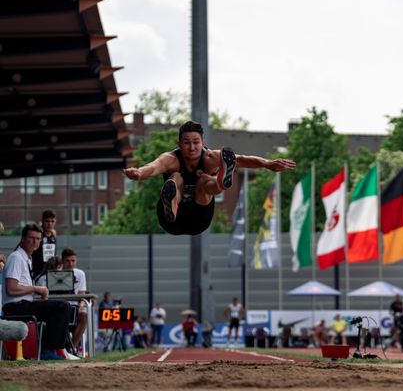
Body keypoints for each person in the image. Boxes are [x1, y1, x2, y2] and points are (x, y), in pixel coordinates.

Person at [123, 121, 296, 235]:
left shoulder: (210, 157)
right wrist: (138, 173)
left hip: (199, 218)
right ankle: (172, 205)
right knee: (175, 177)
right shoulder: (171, 159)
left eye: (196, 142)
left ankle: (221, 182)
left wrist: (267, 163)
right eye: (186, 143)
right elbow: (153, 167)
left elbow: (241, 159)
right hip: (171, 221)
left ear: (202, 142)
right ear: (179, 144)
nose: (192, 147)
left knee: (205, 180)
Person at [1, 224, 70, 360]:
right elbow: (11, 289)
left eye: (38, 239)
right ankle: (48, 351)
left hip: (23, 304)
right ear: (22, 239)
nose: (35, 242)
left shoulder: (27, 258)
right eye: (31, 238)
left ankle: (54, 350)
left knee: (62, 308)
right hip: (14, 307)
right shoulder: (16, 258)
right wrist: (36, 289)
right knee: (62, 307)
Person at [62, 248, 88, 351]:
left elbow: (81, 294)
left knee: (84, 315)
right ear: (62, 261)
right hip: (61, 306)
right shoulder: (56, 272)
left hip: (75, 306)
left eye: (73, 261)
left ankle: (72, 348)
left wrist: (81, 305)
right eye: (67, 261)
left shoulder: (80, 274)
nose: (70, 264)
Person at [31, 209, 57, 279]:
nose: (50, 224)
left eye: (52, 221)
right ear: (42, 221)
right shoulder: (37, 234)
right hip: (37, 273)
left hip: (50, 273)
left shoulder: (53, 235)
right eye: (47, 221)